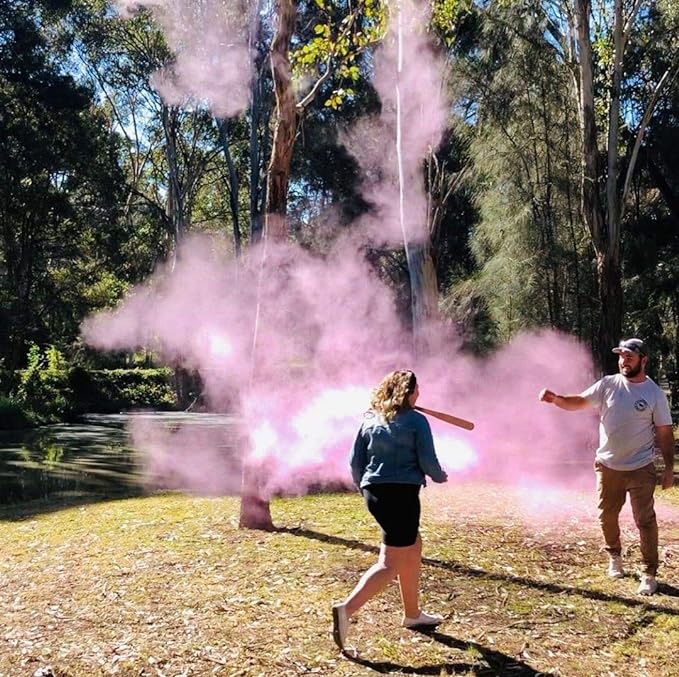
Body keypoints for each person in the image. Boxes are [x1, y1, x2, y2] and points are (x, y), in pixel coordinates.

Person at [539, 338, 675, 595]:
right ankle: (615, 557)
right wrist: (557, 399)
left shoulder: (654, 394)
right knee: (607, 516)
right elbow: (579, 401)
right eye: (621, 356)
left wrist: (668, 468)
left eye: (630, 356)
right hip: (608, 465)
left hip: (641, 466)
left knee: (645, 520)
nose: (624, 361)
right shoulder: (608, 384)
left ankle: (649, 572)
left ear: (643, 360)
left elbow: (665, 432)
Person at [331, 369, 449, 651]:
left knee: (412, 545)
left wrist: (365, 489)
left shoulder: (370, 419)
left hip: (374, 493)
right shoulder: (417, 421)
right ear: (408, 393)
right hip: (401, 494)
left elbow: (354, 463)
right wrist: (440, 475)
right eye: (417, 389)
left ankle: (412, 614)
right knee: (391, 561)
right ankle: (346, 610)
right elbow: (428, 460)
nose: (419, 394)